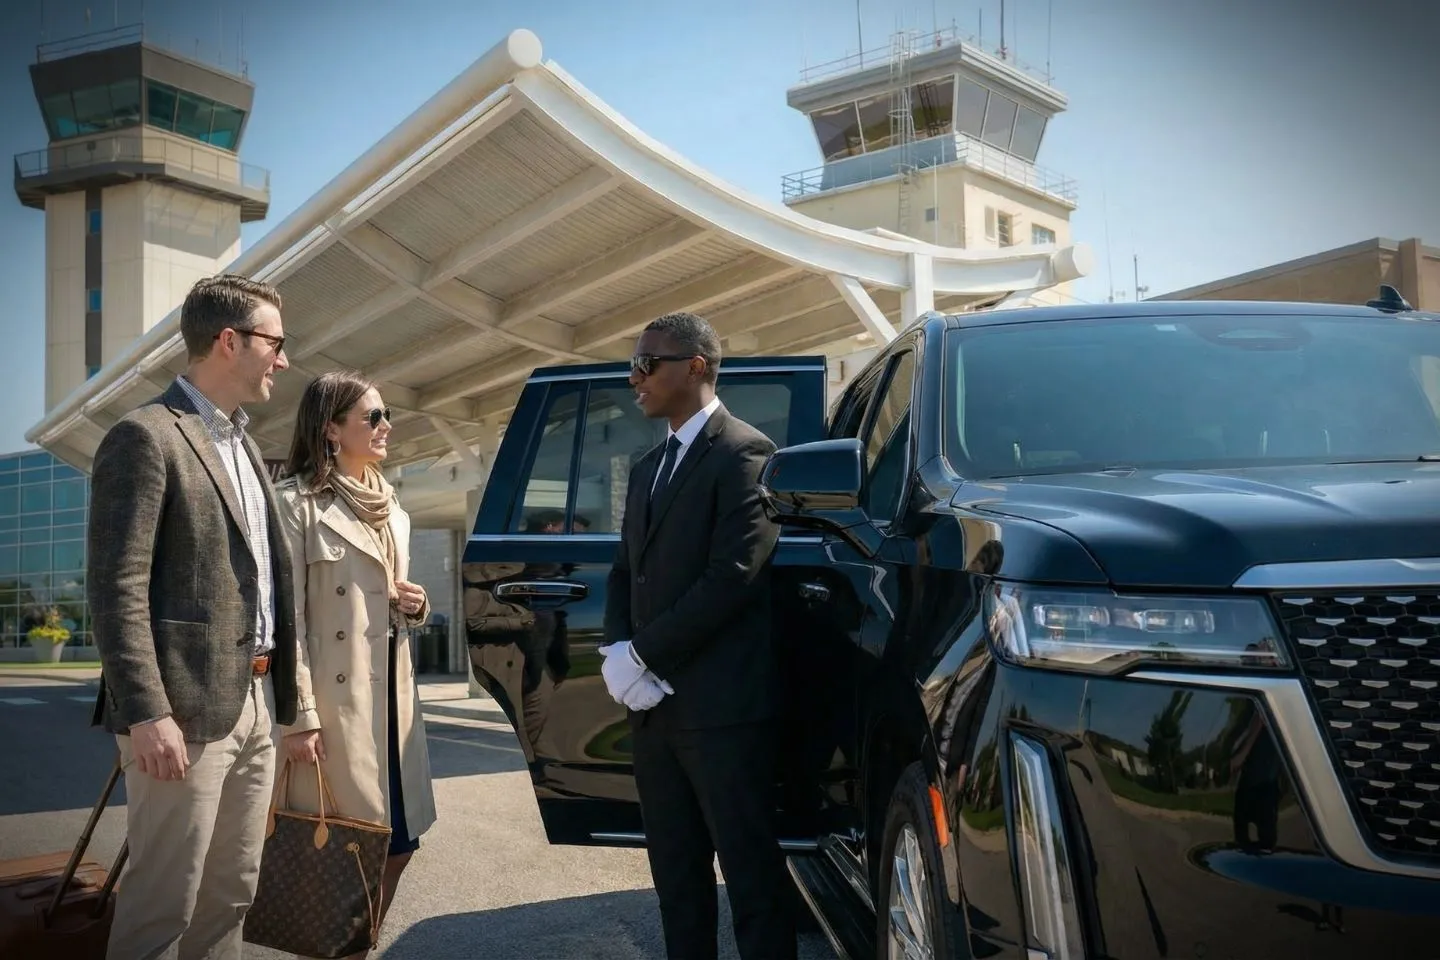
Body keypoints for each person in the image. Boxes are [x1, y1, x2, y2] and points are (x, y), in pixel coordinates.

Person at [88, 273, 296, 959]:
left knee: (230, 894)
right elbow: (116, 588)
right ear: (229, 341)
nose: (285, 359)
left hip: (254, 703)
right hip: (178, 715)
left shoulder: (244, 445)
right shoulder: (144, 436)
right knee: (163, 903)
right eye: (276, 342)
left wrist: (285, 705)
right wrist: (147, 712)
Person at [601, 312, 795, 960]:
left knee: (753, 886)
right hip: (656, 716)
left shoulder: (746, 452)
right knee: (677, 887)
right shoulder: (647, 464)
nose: (636, 375)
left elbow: (733, 576)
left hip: (723, 715)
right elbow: (626, 569)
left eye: (648, 362)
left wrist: (643, 654)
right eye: (635, 361)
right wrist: (616, 653)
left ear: (697, 367)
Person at [273, 371, 436, 954]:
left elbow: (387, 605)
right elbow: (283, 620)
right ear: (332, 430)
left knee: (400, 845)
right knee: (344, 846)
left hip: (392, 704)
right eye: (373, 416)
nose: (387, 425)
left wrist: (412, 605)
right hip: (336, 710)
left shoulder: (393, 509)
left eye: (386, 413)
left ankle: (356, 949)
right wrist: (298, 718)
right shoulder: (295, 506)